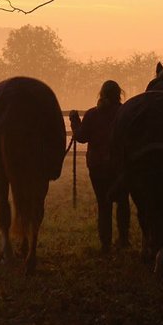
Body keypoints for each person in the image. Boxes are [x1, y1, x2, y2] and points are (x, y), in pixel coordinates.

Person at [70, 80, 130, 253]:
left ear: (101, 94)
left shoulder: (93, 115)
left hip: (97, 167)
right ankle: (123, 240)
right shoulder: (124, 113)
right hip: (120, 167)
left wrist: (75, 121)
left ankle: (105, 244)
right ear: (119, 94)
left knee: (104, 204)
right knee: (123, 201)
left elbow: (81, 137)